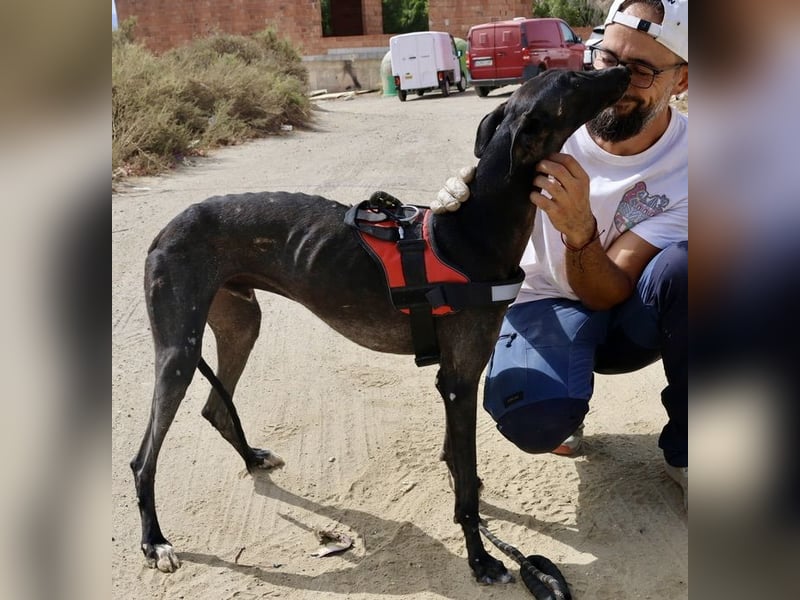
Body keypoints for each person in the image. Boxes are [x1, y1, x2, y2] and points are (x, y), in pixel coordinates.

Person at [436, 0, 688, 504]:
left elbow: (607, 289)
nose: (615, 82)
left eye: (639, 71)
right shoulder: (551, 123)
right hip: (541, 301)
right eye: (606, 58)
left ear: (682, 81)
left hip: (628, 312)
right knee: (535, 419)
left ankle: (692, 450)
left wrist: (578, 228)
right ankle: (560, 401)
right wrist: (465, 196)